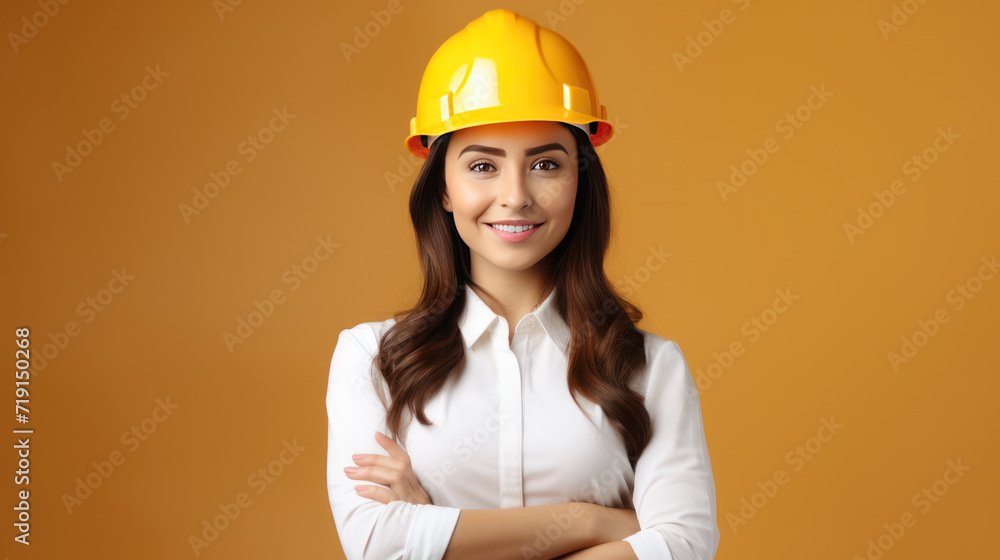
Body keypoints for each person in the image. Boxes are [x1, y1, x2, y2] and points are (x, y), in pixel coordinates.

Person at [326, 8, 720, 560]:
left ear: (580, 181)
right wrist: (594, 521)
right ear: (443, 189)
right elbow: (376, 543)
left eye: (546, 165)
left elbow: (684, 545)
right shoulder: (372, 358)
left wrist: (431, 527)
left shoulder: (651, 368)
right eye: (482, 166)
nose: (515, 197)